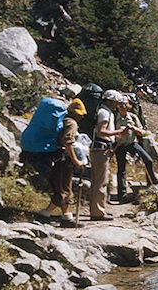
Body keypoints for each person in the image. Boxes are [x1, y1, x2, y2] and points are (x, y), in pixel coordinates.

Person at [38, 98, 86, 227]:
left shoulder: (63, 120)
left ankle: (66, 217)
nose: (82, 117)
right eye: (81, 114)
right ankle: (44, 214)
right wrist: (76, 160)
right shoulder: (72, 123)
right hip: (63, 159)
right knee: (63, 187)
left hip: (54, 157)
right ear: (76, 113)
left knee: (63, 187)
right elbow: (67, 142)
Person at [89, 89, 130, 221]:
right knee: (100, 181)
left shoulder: (105, 112)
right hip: (101, 149)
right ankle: (97, 212)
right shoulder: (104, 113)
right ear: (110, 101)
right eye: (116, 102)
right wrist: (118, 131)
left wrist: (116, 134)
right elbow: (101, 132)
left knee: (99, 180)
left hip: (101, 148)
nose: (117, 105)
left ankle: (99, 209)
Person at [114, 98, 158, 203]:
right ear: (117, 107)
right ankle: (122, 196)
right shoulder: (114, 118)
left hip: (132, 143)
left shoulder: (133, 117)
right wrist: (121, 132)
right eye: (120, 106)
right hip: (120, 145)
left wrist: (133, 129)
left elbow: (141, 132)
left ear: (127, 107)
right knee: (121, 170)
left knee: (148, 160)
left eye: (124, 106)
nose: (122, 108)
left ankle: (151, 183)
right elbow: (112, 133)